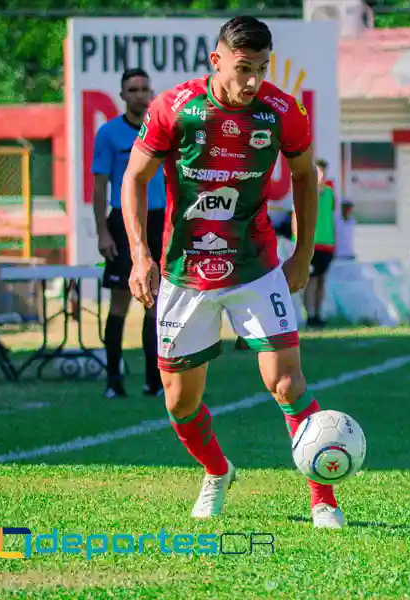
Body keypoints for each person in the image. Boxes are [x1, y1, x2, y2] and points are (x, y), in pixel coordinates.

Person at [121, 16, 345, 528]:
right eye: (243, 68)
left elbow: (307, 176)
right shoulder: (175, 109)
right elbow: (135, 177)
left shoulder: (281, 111)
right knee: (179, 401)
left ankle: (323, 499)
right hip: (185, 270)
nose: (252, 82)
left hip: (255, 266)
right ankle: (218, 471)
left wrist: (303, 254)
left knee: (286, 383)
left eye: (261, 69)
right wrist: (141, 255)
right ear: (215, 60)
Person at [92, 68, 168, 399]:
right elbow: (98, 186)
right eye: (132, 89)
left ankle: (154, 380)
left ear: (151, 93)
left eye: (143, 88)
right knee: (121, 301)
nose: (139, 94)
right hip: (122, 223)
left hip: (159, 221)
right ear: (122, 96)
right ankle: (113, 380)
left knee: (157, 303)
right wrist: (102, 233)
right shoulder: (109, 134)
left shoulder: (164, 131)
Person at [292, 159, 338, 328]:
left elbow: (332, 218)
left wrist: (335, 242)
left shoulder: (330, 192)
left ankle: (318, 314)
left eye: (324, 172)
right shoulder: (305, 191)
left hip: (327, 243)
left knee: (322, 280)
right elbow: (296, 217)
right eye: (319, 172)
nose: (322, 175)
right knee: (310, 280)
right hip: (310, 243)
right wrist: (297, 241)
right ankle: (310, 315)